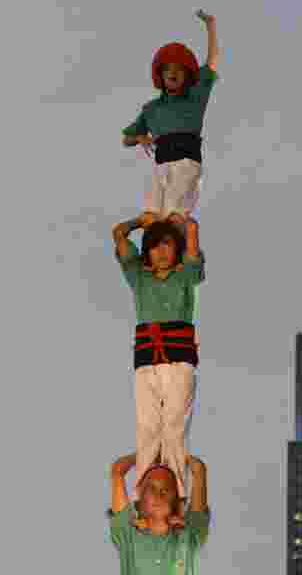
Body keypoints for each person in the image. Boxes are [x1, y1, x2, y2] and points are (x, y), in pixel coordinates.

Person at [113, 212, 204, 510]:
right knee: (147, 428)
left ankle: (176, 498)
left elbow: (191, 230)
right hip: (147, 362)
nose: (162, 251)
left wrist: (178, 225)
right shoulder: (139, 277)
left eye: (168, 245)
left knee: (174, 428)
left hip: (179, 361)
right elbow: (119, 235)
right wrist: (141, 221)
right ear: (148, 251)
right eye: (156, 246)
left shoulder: (185, 275)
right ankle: (144, 501)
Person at [122, 10, 220, 224]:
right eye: (168, 70)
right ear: (161, 75)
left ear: (187, 74)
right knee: (151, 217)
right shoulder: (151, 108)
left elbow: (212, 61)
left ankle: (184, 245)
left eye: (178, 70)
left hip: (186, 161)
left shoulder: (195, 96)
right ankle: (148, 253)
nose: (173, 74)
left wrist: (210, 25)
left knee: (174, 217)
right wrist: (140, 138)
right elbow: (126, 139)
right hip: (161, 165)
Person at [108, 453, 210, 575]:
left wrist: (174, 449)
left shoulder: (190, 534)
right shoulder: (127, 534)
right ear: (140, 501)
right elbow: (117, 472)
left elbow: (199, 470)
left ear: (177, 501)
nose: (159, 494)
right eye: (151, 488)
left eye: (167, 489)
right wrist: (145, 453)